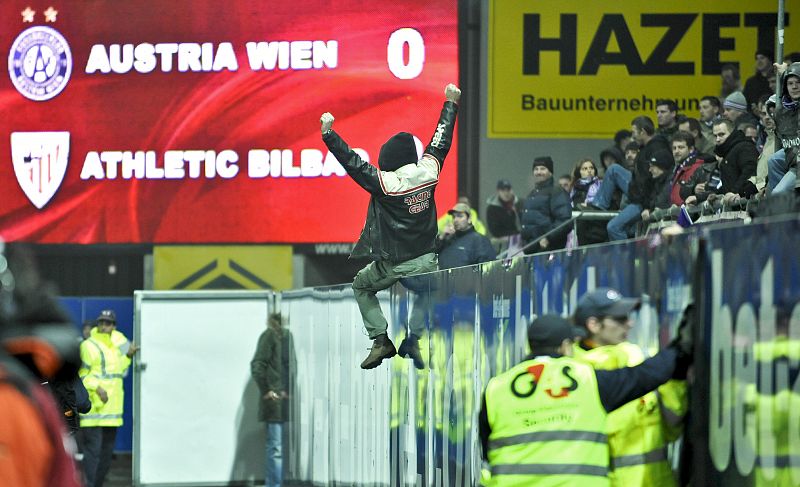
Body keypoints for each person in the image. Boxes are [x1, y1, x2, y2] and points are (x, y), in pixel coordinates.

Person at [319, 83, 460, 369]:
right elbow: (440, 140)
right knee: (428, 290)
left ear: (388, 161)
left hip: (393, 264)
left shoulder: (386, 183)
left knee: (361, 285)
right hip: (426, 262)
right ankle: (414, 338)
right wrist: (451, 104)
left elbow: (353, 163)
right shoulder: (428, 171)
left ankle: (381, 340)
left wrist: (329, 135)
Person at [478, 312, 692, 486]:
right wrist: (679, 348)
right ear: (565, 346)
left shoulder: (497, 387)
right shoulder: (586, 380)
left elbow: (488, 448)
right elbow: (643, 376)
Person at [572, 289, 687, 487]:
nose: (629, 323)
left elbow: (672, 427)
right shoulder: (575, 374)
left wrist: (676, 378)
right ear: (593, 325)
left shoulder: (638, 359)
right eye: (619, 318)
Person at [79, 309, 139, 487]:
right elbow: (82, 374)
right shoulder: (88, 345)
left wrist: (128, 355)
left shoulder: (116, 343)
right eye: (101, 322)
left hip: (112, 410)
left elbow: (119, 370)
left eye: (108, 323)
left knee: (106, 455)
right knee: (92, 454)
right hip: (94, 410)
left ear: (114, 326)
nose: (104, 326)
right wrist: (96, 388)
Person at [590, 116, 672, 241]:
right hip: (638, 192)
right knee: (613, 169)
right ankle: (598, 205)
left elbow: (657, 182)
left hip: (644, 200)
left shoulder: (656, 148)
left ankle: (627, 258)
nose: (632, 136)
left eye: (634, 132)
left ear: (643, 132)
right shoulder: (645, 148)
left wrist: (647, 206)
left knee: (613, 227)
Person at [251, 313, 293, 487]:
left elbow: (259, 365)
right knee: (276, 447)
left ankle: (274, 484)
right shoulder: (276, 336)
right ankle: (274, 484)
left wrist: (269, 390)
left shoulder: (282, 337)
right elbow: (258, 366)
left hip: (280, 400)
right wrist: (269, 390)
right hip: (278, 401)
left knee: (275, 447)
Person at [520, 156, 572, 253]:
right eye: (536, 169)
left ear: (550, 172)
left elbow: (565, 221)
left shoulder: (557, 192)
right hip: (532, 251)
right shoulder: (532, 194)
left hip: (549, 251)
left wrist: (547, 238)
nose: (539, 172)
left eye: (543, 169)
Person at [436, 202, 496, 269]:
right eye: (454, 217)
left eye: (460, 216)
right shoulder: (447, 240)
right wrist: (442, 237)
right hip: (443, 278)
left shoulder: (479, 240)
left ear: (469, 219)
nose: (455, 220)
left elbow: (487, 269)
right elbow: (432, 256)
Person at [770, 62, 800, 194]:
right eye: (790, 83)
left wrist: (786, 71)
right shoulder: (782, 112)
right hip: (793, 154)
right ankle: (788, 203)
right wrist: (784, 74)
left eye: (798, 82)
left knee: (778, 193)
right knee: (774, 160)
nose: (794, 87)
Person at [485, 179, 523, 255]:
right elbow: (495, 231)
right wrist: (516, 235)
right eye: (503, 190)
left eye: (508, 190)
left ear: (512, 190)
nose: (506, 193)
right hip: (502, 246)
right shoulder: (492, 209)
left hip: (522, 243)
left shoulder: (520, 204)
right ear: (498, 191)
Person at [670, 131, 706, 206]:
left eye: (680, 147)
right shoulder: (678, 168)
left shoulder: (698, 167)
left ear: (691, 149)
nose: (676, 151)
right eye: (674, 148)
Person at [743, 49, 774, 113]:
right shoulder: (750, 82)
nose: (759, 61)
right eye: (757, 59)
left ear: (770, 60)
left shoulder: (778, 80)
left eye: (762, 58)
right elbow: (746, 103)